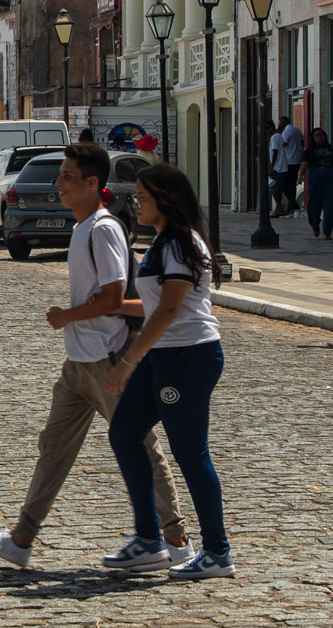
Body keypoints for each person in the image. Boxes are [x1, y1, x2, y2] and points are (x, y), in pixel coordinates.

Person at [0, 142, 188, 568]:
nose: (58, 185)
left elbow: (113, 296)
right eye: (60, 176)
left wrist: (66, 315)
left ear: (92, 183)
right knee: (54, 446)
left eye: (67, 177)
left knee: (140, 444)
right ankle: (21, 538)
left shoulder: (102, 229)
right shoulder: (84, 227)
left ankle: (175, 538)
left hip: (105, 357)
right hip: (79, 361)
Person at [104, 163, 234, 579]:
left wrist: (128, 361)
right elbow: (156, 304)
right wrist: (112, 307)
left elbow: (172, 309)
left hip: (187, 357)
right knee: (124, 431)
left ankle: (217, 551)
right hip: (165, 354)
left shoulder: (179, 242)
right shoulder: (163, 241)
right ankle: (148, 539)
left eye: (142, 197)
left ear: (164, 199)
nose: (135, 203)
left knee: (191, 454)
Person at [302, 128, 333, 239]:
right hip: (315, 175)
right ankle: (315, 226)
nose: (320, 137)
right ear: (313, 138)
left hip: (330, 175)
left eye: (321, 135)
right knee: (313, 203)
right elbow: (305, 163)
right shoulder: (310, 150)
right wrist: (300, 175)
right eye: (316, 135)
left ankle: (327, 230)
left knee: (330, 204)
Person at [277, 116, 304, 215]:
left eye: (280, 123)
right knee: (292, 184)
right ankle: (290, 207)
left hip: (289, 161)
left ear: (284, 122)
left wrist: (278, 134)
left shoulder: (286, 131)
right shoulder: (297, 129)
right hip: (297, 160)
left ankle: (294, 204)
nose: (279, 124)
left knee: (284, 185)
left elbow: (283, 144)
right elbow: (302, 141)